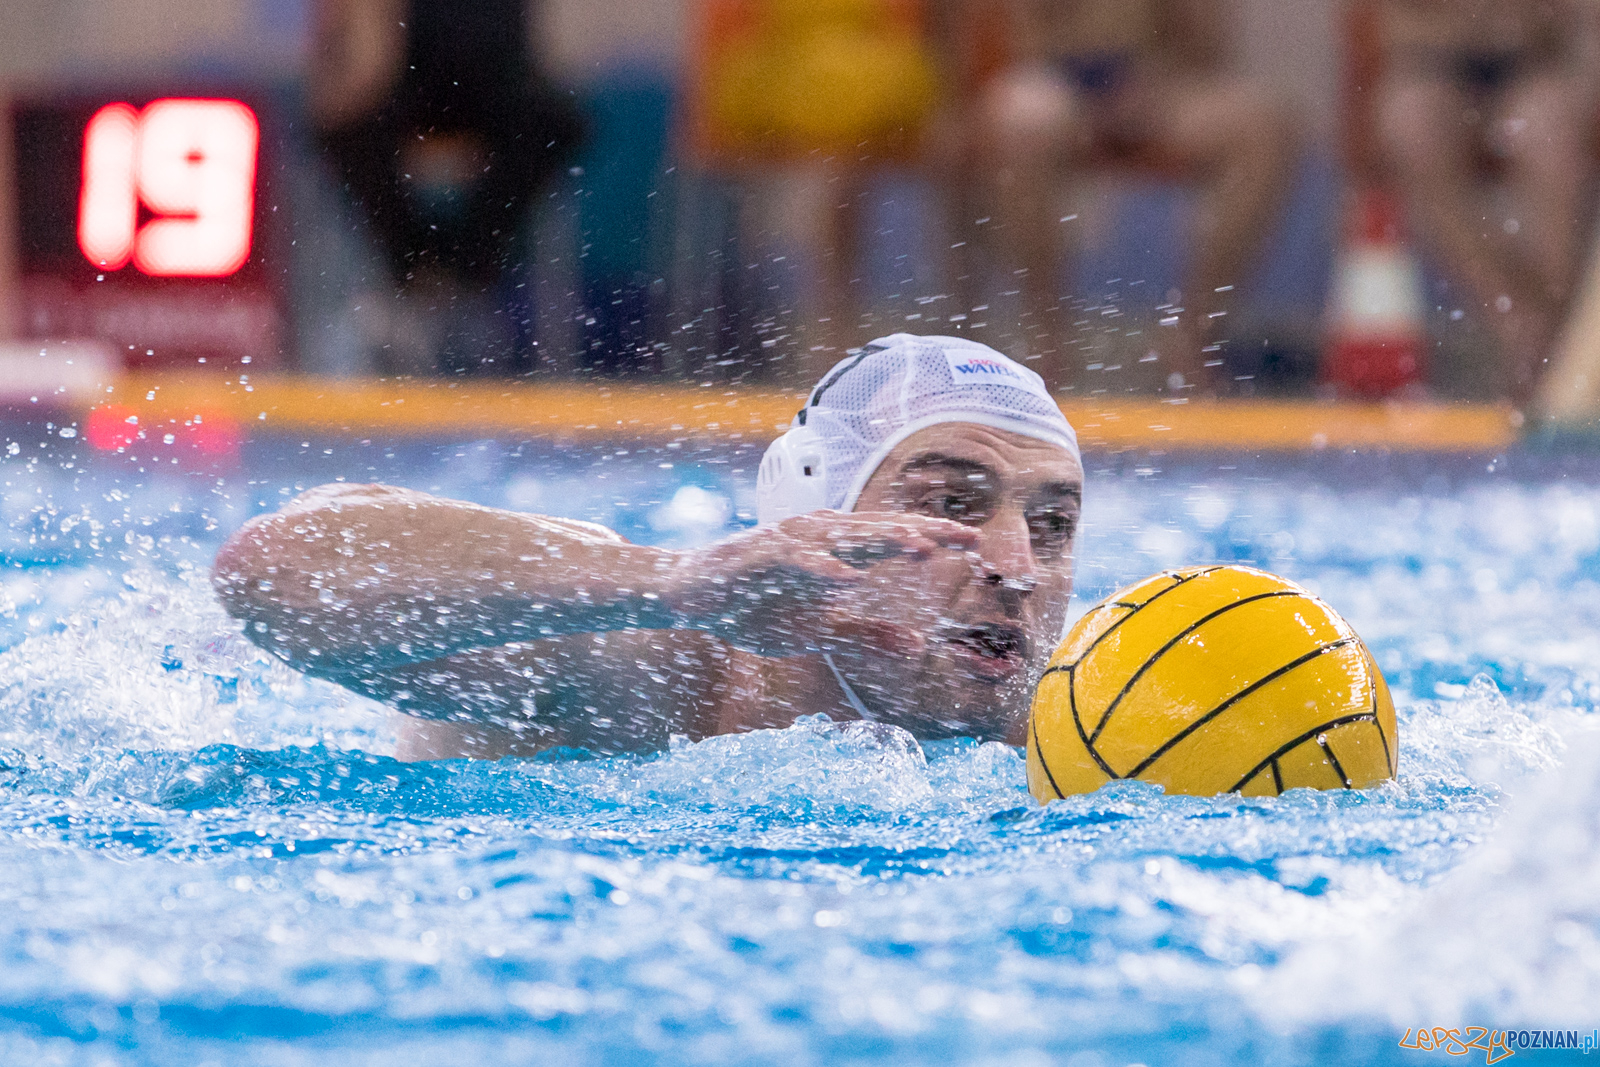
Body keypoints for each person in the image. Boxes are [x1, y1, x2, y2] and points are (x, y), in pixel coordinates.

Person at [212, 334, 1084, 757]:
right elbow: (274, 570)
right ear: (816, 516)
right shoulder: (645, 665)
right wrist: (670, 582)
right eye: (949, 505)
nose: (1018, 566)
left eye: (1053, 522)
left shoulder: (1079, 719)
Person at [936, 0, 1299, 390]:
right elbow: (1012, 40)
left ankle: (1192, 337)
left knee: (1263, 131)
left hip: (1159, 84)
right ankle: (1046, 340)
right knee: (1023, 119)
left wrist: (1153, 78)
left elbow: (1209, 51)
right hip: (1055, 82)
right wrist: (1088, 80)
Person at [1371, 0, 1600, 403]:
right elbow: (1392, 29)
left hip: (1535, 66)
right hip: (1438, 66)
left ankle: (1554, 337)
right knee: (1410, 123)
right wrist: (1479, 29)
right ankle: (1521, 328)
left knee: (1546, 130)